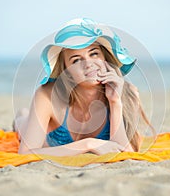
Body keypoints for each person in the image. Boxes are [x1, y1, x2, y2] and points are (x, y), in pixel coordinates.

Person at [14, 18, 153, 156]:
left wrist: (115, 102)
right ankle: (21, 116)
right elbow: (25, 153)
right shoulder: (47, 95)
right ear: (66, 72)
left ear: (104, 58)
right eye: (76, 60)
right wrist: (88, 144)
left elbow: (125, 152)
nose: (88, 64)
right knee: (22, 124)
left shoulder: (128, 93)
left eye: (94, 53)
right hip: (33, 127)